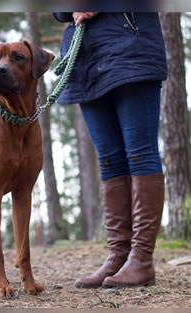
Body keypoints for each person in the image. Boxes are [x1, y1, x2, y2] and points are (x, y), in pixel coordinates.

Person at [52, 12, 167, 288]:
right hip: (85, 59)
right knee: (109, 161)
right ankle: (119, 256)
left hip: (131, 47)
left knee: (139, 153)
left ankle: (141, 259)